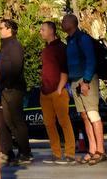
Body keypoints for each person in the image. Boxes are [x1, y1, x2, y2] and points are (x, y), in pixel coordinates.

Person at [60, 14, 104, 164]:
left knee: (93, 114)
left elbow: (91, 60)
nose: (62, 22)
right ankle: (91, 149)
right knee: (84, 116)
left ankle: (100, 150)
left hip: (86, 80)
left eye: (64, 20)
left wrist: (85, 81)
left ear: (72, 23)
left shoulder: (82, 38)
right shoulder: (70, 40)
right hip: (74, 81)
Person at [38, 21, 75, 164]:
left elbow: (64, 69)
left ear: (51, 31)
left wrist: (60, 88)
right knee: (49, 123)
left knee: (64, 122)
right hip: (45, 92)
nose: (40, 32)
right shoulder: (45, 49)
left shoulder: (61, 48)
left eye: (43, 29)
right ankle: (56, 153)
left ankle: (70, 154)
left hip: (58, 91)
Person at [0, 18, 31, 163]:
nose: (0, 30)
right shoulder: (5, 46)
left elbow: (16, 66)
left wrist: (8, 85)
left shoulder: (14, 45)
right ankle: (18, 151)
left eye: (2, 28)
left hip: (14, 89)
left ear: (10, 29)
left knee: (17, 121)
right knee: (9, 121)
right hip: (5, 89)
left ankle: (26, 153)